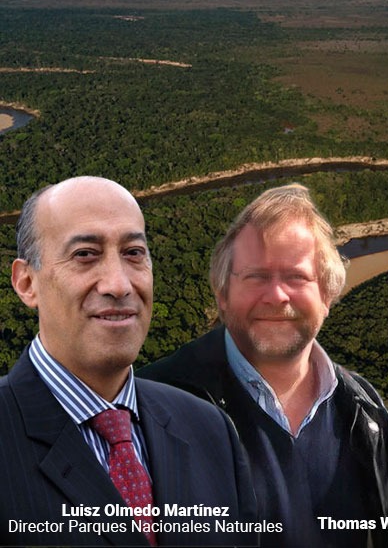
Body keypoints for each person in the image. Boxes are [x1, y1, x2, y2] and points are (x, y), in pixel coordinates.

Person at [139, 183, 388, 548]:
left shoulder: (366, 413)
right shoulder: (146, 409)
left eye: (297, 277)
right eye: (255, 276)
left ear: (327, 297)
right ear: (222, 296)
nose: (276, 295)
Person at [0, 176, 258, 547]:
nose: (118, 285)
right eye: (85, 254)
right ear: (27, 283)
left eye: (133, 253)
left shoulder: (211, 431)